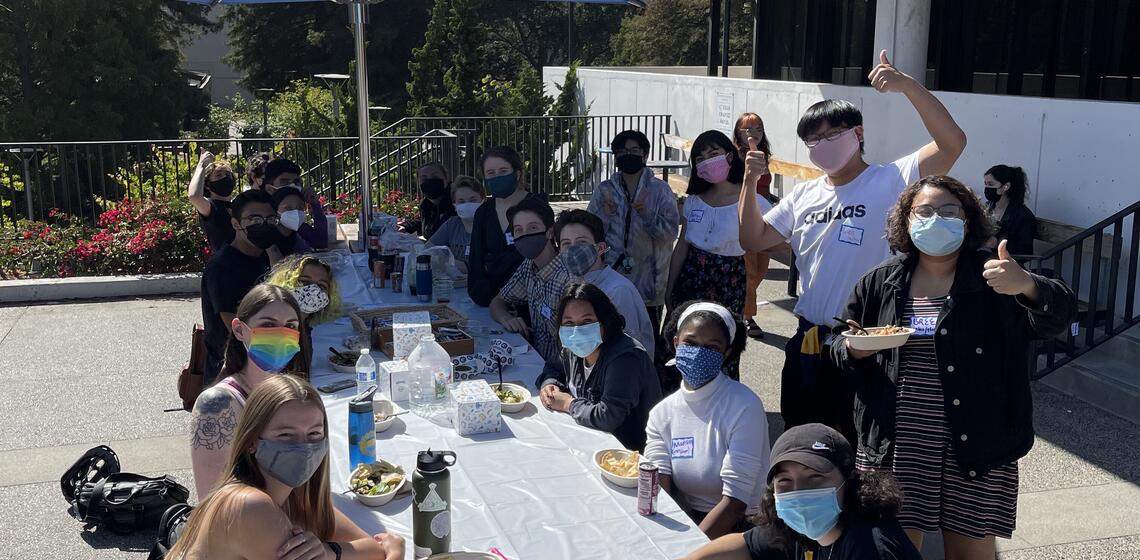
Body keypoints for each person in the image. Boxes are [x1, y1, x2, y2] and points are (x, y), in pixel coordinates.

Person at [832, 175, 1074, 559]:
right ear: (906, 221)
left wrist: (1028, 285)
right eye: (924, 211)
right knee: (891, 550)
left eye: (949, 211)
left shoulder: (997, 277)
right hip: (896, 443)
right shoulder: (880, 282)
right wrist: (854, 350)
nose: (936, 219)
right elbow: (838, 341)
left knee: (969, 552)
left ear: (968, 219)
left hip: (976, 443)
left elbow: (1058, 316)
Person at [737, 50, 968, 438]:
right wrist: (748, 182)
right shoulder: (804, 195)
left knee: (864, 449)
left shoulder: (892, 179)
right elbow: (753, 238)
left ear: (857, 134)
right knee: (805, 444)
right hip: (810, 341)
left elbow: (952, 142)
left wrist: (907, 86)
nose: (821, 144)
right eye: (812, 140)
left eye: (831, 135)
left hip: (870, 344)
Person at [174, 375, 404, 560]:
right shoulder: (250, 507)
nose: (303, 447)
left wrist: (329, 552)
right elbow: (382, 549)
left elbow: (373, 547)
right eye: (285, 435)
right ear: (252, 441)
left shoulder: (295, 494)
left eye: (314, 433)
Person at [681, 424, 923, 560]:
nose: (799, 492)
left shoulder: (870, 548)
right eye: (784, 481)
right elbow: (745, 544)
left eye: (815, 477)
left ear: (849, 481)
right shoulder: (801, 529)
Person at [644, 301, 768, 539]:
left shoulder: (745, 406)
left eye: (712, 347)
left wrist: (689, 550)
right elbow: (659, 486)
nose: (700, 352)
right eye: (690, 343)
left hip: (743, 529)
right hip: (690, 522)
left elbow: (735, 504)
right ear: (675, 343)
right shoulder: (662, 414)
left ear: (727, 353)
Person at [191, 283, 313, 498]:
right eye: (268, 325)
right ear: (239, 330)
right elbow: (213, 503)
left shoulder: (291, 393)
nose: (280, 334)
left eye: (291, 326)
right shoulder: (218, 404)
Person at [668, 130, 773, 379]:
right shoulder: (694, 201)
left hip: (728, 281)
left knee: (720, 343)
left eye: (714, 154)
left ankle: (722, 405)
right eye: (701, 158)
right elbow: (682, 245)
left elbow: (773, 239)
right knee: (685, 342)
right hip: (690, 278)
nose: (708, 161)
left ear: (729, 155)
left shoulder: (751, 200)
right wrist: (669, 286)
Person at [537, 283, 663, 451]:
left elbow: (608, 416)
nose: (577, 330)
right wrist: (549, 384)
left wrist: (568, 403)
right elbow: (553, 367)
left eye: (587, 321)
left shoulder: (626, 357)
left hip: (628, 456)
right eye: (568, 322)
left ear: (604, 322)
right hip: (589, 442)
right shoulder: (572, 347)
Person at [587, 129, 680, 334]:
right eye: (622, 151)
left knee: (648, 337)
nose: (628, 155)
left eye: (634, 150)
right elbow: (589, 235)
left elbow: (671, 233)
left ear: (645, 155)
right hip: (612, 278)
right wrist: (605, 214)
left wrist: (647, 215)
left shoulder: (660, 190)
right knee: (611, 333)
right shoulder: (604, 190)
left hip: (649, 283)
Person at [200, 190, 277, 383]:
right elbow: (236, 329)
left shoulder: (260, 254)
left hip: (260, 359)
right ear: (236, 224)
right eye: (255, 219)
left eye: (270, 219)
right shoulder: (223, 268)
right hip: (234, 370)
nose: (263, 225)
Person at [553, 209, 655, 355]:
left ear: (600, 248)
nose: (573, 249)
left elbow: (628, 351)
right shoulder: (573, 283)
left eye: (582, 242)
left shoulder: (618, 291)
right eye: (566, 244)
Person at [489, 197, 573, 363]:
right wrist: (507, 318)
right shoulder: (529, 266)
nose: (525, 235)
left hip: (561, 372)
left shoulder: (568, 278)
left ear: (549, 232)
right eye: (518, 230)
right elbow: (497, 302)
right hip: (537, 362)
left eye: (533, 227)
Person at [468, 146, 548, 306]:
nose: (497, 177)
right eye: (491, 173)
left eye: (503, 171)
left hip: (531, 301)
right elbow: (476, 261)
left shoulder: (537, 206)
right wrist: (487, 299)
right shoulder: (483, 212)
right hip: (491, 301)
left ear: (517, 174)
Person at [733, 113, 775, 339]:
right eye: (747, 129)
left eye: (758, 128)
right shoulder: (735, 158)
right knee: (749, 269)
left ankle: (741, 305)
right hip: (746, 220)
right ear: (738, 133)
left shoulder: (763, 155)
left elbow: (765, 189)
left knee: (761, 269)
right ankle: (748, 317)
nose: (753, 133)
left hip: (765, 218)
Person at [261, 157, 329, 250]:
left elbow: (320, 242)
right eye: (284, 182)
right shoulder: (261, 225)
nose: (292, 186)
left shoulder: (293, 219)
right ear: (269, 189)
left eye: (296, 182)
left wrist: (315, 205)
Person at [265, 254, 342, 327]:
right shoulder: (271, 325)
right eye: (304, 282)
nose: (313, 290)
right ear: (287, 282)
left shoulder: (301, 326)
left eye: (321, 285)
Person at [428, 175, 484, 274]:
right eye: (461, 201)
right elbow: (428, 249)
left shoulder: (492, 226)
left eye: (473, 200)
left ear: (483, 201)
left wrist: (465, 267)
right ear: (455, 205)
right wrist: (445, 259)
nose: (467, 204)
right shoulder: (451, 224)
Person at [187, 150, 238, 252]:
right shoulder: (211, 207)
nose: (225, 177)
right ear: (207, 184)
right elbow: (194, 196)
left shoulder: (238, 205)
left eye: (228, 175)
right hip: (227, 264)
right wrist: (201, 165)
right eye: (218, 175)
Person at [983, 164, 1036, 257]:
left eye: (991, 184)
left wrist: (996, 244)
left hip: (1005, 264)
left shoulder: (1022, 215)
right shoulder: (988, 207)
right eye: (985, 184)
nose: (987, 188)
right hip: (983, 257)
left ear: (1006, 186)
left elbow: (1025, 253)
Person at [403, 161, 456, 240]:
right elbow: (427, 223)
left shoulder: (457, 203)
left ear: (446, 179)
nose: (430, 181)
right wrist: (406, 226)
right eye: (424, 178)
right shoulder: (426, 205)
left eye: (435, 177)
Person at [270, 185, 322, 257]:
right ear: (275, 211)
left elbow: (321, 243)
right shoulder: (269, 241)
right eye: (288, 208)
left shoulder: (298, 233)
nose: (296, 212)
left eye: (300, 208)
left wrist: (315, 204)